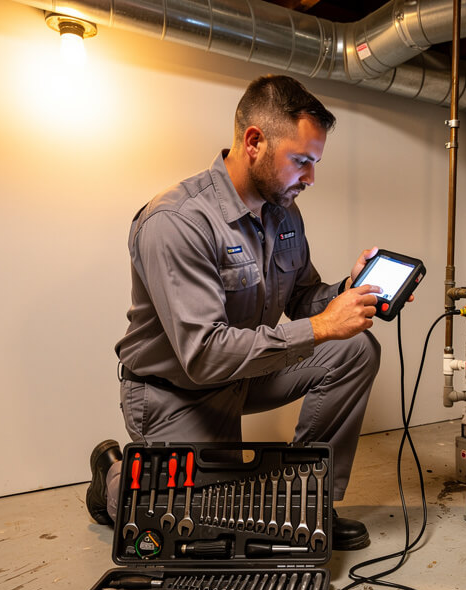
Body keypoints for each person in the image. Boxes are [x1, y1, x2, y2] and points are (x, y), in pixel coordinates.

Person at [85, 75, 384, 550]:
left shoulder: (283, 212)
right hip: (177, 392)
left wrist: (350, 292)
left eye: (315, 163)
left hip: (243, 372)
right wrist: (323, 325)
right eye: (301, 161)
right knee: (199, 531)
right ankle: (115, 476)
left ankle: (307, 502)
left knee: (355, 347)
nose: (310, 178)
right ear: (254, 142)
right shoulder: (177, 221)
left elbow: (304, 297)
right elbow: (204, 355)